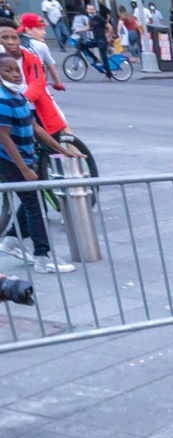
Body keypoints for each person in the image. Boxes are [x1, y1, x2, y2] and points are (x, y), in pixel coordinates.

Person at [0, 53, 82, 273]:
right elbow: (4, 137)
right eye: (8, 71)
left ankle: (10, 241)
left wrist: (64, 151)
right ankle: (42, 258)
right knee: (35, 206)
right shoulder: (3, 100)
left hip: (25, 158)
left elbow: (35, 128)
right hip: (11, 162)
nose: (16, 75)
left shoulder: (18, 97)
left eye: (16, 70)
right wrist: (24, 168)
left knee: (32, 202)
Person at [0, 19, 64, 136]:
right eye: (4, 38)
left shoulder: (31, 59)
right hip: (9, 110)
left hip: (33, 107)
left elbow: (37, 83)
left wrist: (24, 99)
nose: (10, 42)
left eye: (14, 37)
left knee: (50, 145)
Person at [19, 13, 66, 92]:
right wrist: (58, 84)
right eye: (40, 29)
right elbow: (51, 68)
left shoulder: (15, 43)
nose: (44, 33)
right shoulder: (41, 46)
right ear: (28, 30)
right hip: (35, 87)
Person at [78, 2, 112, 80]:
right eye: (89, 9)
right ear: (87, 10)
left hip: (102, 40)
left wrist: (108, 37)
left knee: (104, 58)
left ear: (94, 10)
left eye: (92, 9)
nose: (90, 11)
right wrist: (79, 30)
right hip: (96, 40)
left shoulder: (98, 17)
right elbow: (88, 27)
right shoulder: (90, 18)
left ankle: (109, 75)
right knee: (84, 45)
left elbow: (109, 27)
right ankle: (95, 59)